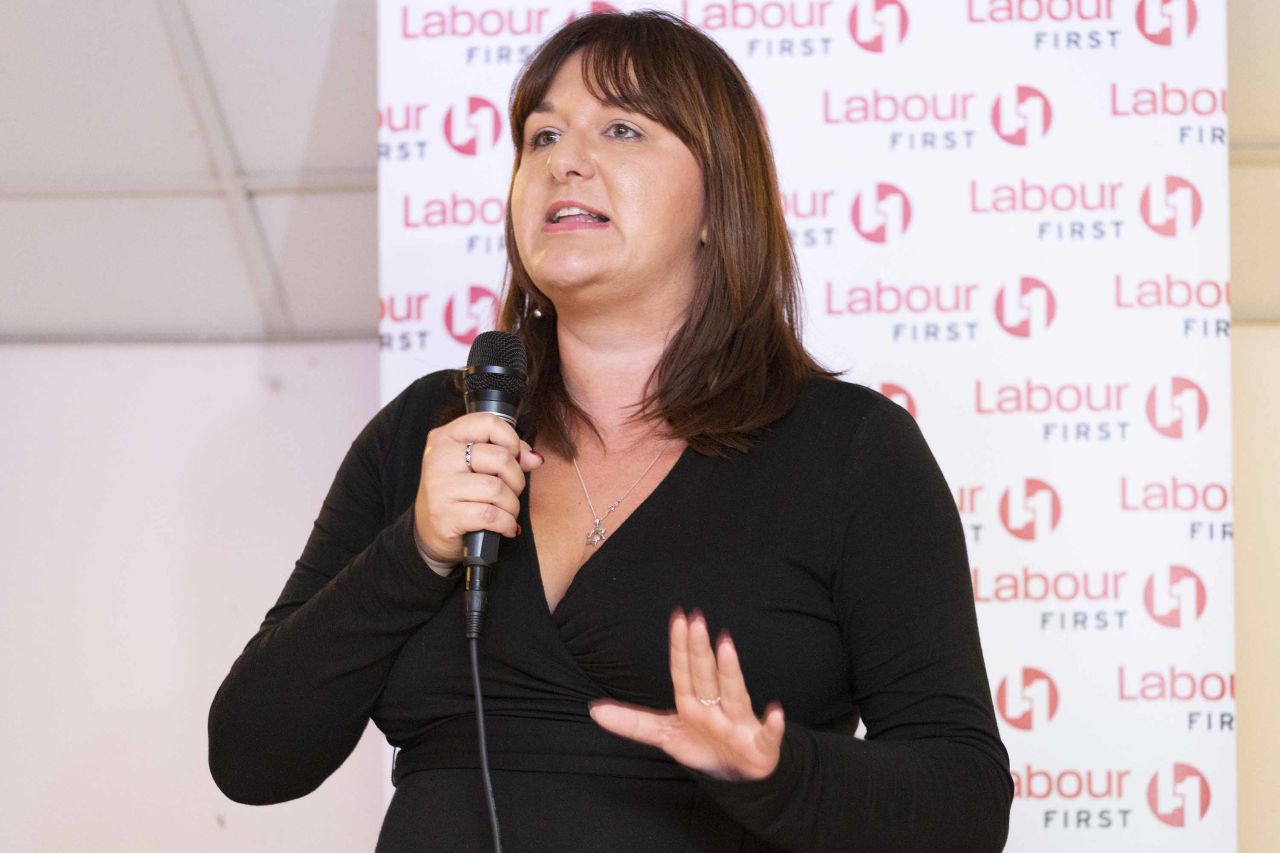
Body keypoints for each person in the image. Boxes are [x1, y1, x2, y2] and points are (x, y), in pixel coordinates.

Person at [208, 10, 1013, 851]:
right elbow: (251, 759)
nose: (566, 160)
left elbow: (964, 800)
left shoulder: (849, 450)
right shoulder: (430, 428)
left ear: (717, 200)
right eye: (541, 135)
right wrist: (415, 551)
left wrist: (782, 773)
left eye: (622, 127)